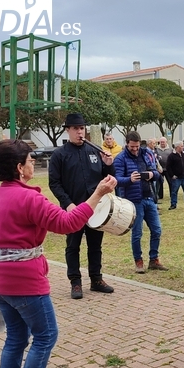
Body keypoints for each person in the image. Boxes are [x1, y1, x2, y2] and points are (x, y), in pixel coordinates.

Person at [0, 139, 118, 368]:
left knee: (16, 336)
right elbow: (68, 223)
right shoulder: (29, 198)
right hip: (25, 280)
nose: (33, 165)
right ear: (19, 168)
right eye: (30, 161)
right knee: (46, 334)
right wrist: (98, 193)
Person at [48, 113, 117, 300]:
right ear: (68, 130)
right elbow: (54, 183)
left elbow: (107, 177)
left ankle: (96, 279)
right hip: (73, 210)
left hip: (96, 209)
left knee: (95, 245)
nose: (80, 132)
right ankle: (75, 282)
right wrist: (68, 204)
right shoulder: (59, 155)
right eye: (76, 129)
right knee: (73, 246)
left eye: (82, 128)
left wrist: (109, 166)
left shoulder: (94, 151)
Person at [114, 131, 168, 273]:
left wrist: (152, 174)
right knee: (137, 233)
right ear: (127, 144)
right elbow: (117, 179)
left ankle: (154, 259)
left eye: (137, 146)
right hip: (133, 201)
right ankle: (138, 261)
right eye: (132, 146)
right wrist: (129, 179)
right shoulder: (120, 158)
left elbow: (156, 172)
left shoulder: (145, 154)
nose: (135, 149)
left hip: (149, 197)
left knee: (157, 230)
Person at [165, 141, 184, 210]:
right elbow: (168, 167)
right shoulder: (171, 156)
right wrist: (172, 175)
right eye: (181, 146)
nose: (183, 147)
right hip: (176, 178)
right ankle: (173, 204)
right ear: (177, 147)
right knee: (174, 192)